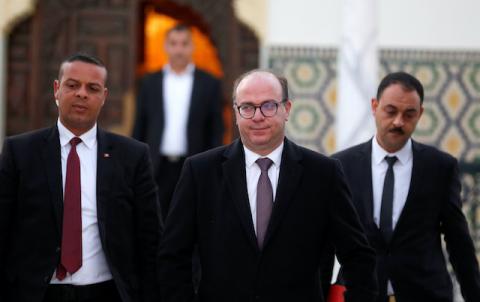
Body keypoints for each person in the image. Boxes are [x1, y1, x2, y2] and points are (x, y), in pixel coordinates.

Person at [158, 69, 378, 302]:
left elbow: (357, 257)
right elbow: (173, 257)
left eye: (269, 106)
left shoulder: (323, 174)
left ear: (287, 109)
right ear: (235, 112)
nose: (258, 116)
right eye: (247, 107)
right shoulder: (199, 172)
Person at [0, 53, 161, 302]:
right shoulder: (20, 152)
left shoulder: (132, 157)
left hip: (105, 292)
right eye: (73, 85)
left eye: (92, 88)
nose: (82, 94)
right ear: (57, 89)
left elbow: (149, 238)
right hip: (36, 293)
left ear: (104, 97)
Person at [332, 71, 480, 302]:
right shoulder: (341, 166)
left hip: (426, 294)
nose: (398, 121)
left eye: (409, 114)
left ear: (420, 114)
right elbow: (322, 239)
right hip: (360, 294)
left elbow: (458, 240)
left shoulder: (440, 167)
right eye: (391, 111)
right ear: (374, 106)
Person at [132, 23, 224, 219]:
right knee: (154, 221)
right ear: (166, 46)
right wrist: (136, 164)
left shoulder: (209, 83)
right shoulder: (150, 82)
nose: (179, 49)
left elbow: (216, 130)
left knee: (190, 220)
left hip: (193, 165)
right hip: (157, 166)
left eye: (184, 44)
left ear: (192, 47)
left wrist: (212, 167)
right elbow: (140, 125)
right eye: (174, 44)